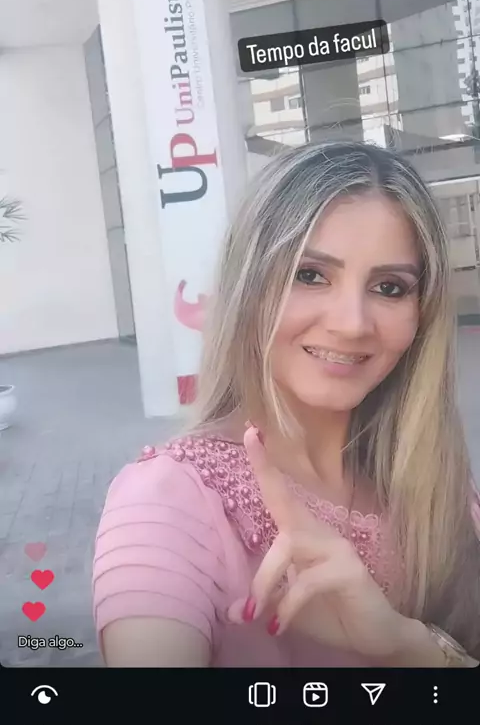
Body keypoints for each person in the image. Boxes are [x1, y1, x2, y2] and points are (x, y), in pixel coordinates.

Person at [93, 140, 480, 668]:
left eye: (390, 287)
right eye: (310, 275)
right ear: (249, 288)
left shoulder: (440, 489)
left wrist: (406, 645)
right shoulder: (167, 500)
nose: (351, 323)